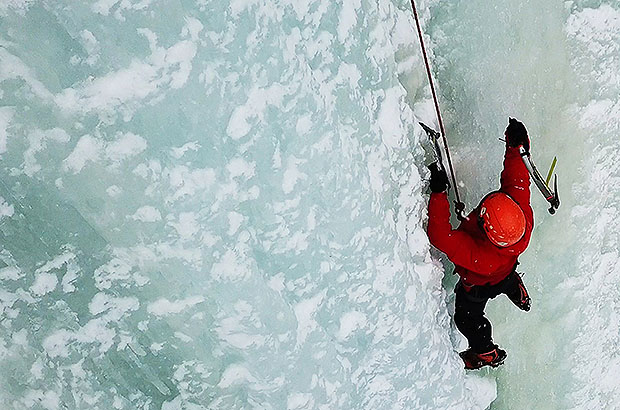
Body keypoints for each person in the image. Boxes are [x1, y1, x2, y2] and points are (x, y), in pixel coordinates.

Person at [426, 118, 534, 370]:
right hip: (506, 267)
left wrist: (439, 193)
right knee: (506, 276)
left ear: (487, 232)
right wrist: (517, 146)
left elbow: (440, 236)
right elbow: (517, 181)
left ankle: (485, 352)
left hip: (478, 286)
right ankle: (514, 286)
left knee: (467, 317)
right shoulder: (521, 220)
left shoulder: (477, 254)